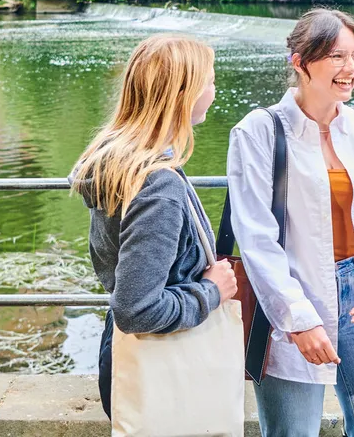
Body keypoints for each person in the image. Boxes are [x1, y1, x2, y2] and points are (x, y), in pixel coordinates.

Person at [227, 8, 354, 437]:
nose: (351, 68)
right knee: (291, 432)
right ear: (299, 61)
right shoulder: (257, 133)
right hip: (293, 291)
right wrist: (297, 317)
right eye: (337, 56)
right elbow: (256, 239)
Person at [70, 33, 239, 420]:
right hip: (163, 371)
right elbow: (137, 309)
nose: (215, 90)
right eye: (210, 81)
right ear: (184, 94)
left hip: (128, 360)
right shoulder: (155, 184)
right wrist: (211, 291)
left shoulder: (119, 165)